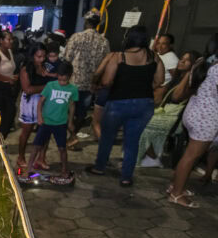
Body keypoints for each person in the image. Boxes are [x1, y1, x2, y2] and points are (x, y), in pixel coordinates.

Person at [86, 25, 164, 187]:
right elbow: (159, 81)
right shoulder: (154, 57)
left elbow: (107, 82)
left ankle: (100, 167)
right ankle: (126, 177)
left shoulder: (118, 57)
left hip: (118, 103)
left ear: (128, 38)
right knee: (132, 141)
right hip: (144, 104)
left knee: (107, 136)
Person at [167, 33, 218, 208]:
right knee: (191, 157)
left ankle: (175, 186)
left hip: (193, 112)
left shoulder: (203, 61)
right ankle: (176, 194)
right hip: (207, 118)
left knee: (188, 155)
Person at [138, 50, 200, 167]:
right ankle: (148, 154)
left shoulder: (190, 83)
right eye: (182, 58)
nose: (181, 61)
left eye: (186, 60)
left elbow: (176, 97)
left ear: (192, 65)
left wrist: (188, 74)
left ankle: (153, 158)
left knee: (140, 124)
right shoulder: (176, 78)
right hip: (165, 113)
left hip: (174, 118)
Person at [62, 9, 110, 147]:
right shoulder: (104, 41)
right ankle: (73, 135)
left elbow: (66, 58)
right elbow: (105, 64)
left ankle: (70, 137)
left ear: (86, 22)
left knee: (68, 111)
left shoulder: (76, 37)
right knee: (81, 113)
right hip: (90, 84)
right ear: (98, 23)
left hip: (73, 82)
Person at [25, 62, 77, 180]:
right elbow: (40, 102)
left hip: (61, 124)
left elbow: (72, 105)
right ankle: (28, 169)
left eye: (65, 80)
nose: (62, 82)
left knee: (62, 148)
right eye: (60, 79)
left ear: (70, 76)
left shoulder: (73, 89)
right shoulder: (50, 85)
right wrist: (39, 116)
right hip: (46, 122)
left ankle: (64, 170)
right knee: (36, 146)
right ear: (57, 75)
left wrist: (70, 122)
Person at [16, 43, 50, 168]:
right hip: (30, 103)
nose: (41, 59)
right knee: (27, 131)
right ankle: (21, 157)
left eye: (43, 56)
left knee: (45, 132)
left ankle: (41, 158)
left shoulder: (46, 66)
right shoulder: (25, 69)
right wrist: (47, 87)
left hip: (44, 101)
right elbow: (27, 89)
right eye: (38, 56)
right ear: (32, 56)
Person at [90, 52, 114, 139]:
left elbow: (97, 73)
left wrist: (93, 84)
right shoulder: (134, 57)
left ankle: (103, 144)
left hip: (106, 90)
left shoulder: (112, 56)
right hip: (121, 94)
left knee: (96, 122)